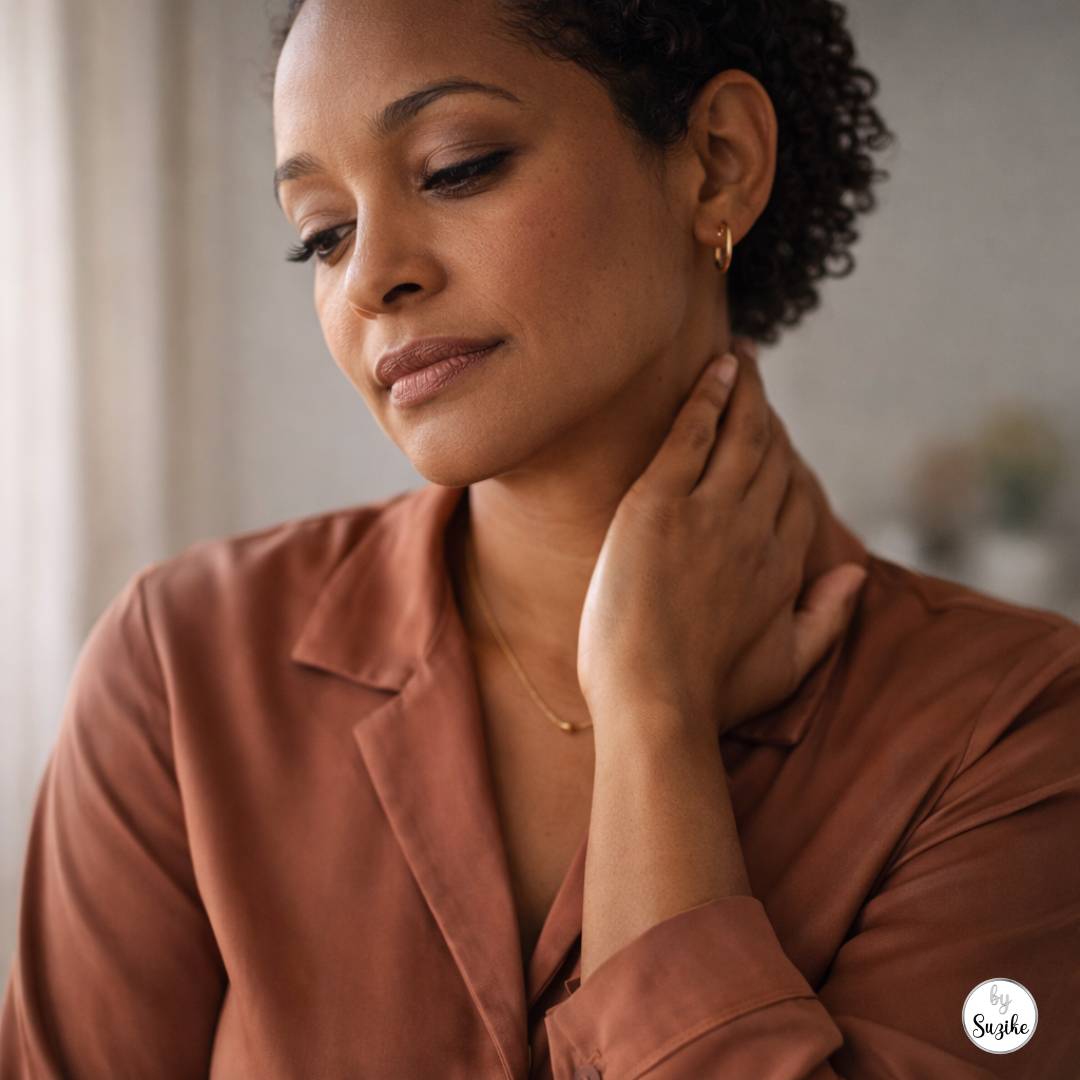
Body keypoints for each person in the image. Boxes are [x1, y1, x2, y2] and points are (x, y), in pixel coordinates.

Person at [3, 1, 1079, 1077]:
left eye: (457, 166)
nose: (371, 276)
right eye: (322, 234)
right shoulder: (182, 669)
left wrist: (652, 716)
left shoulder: (1019, 731)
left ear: (716, 162)